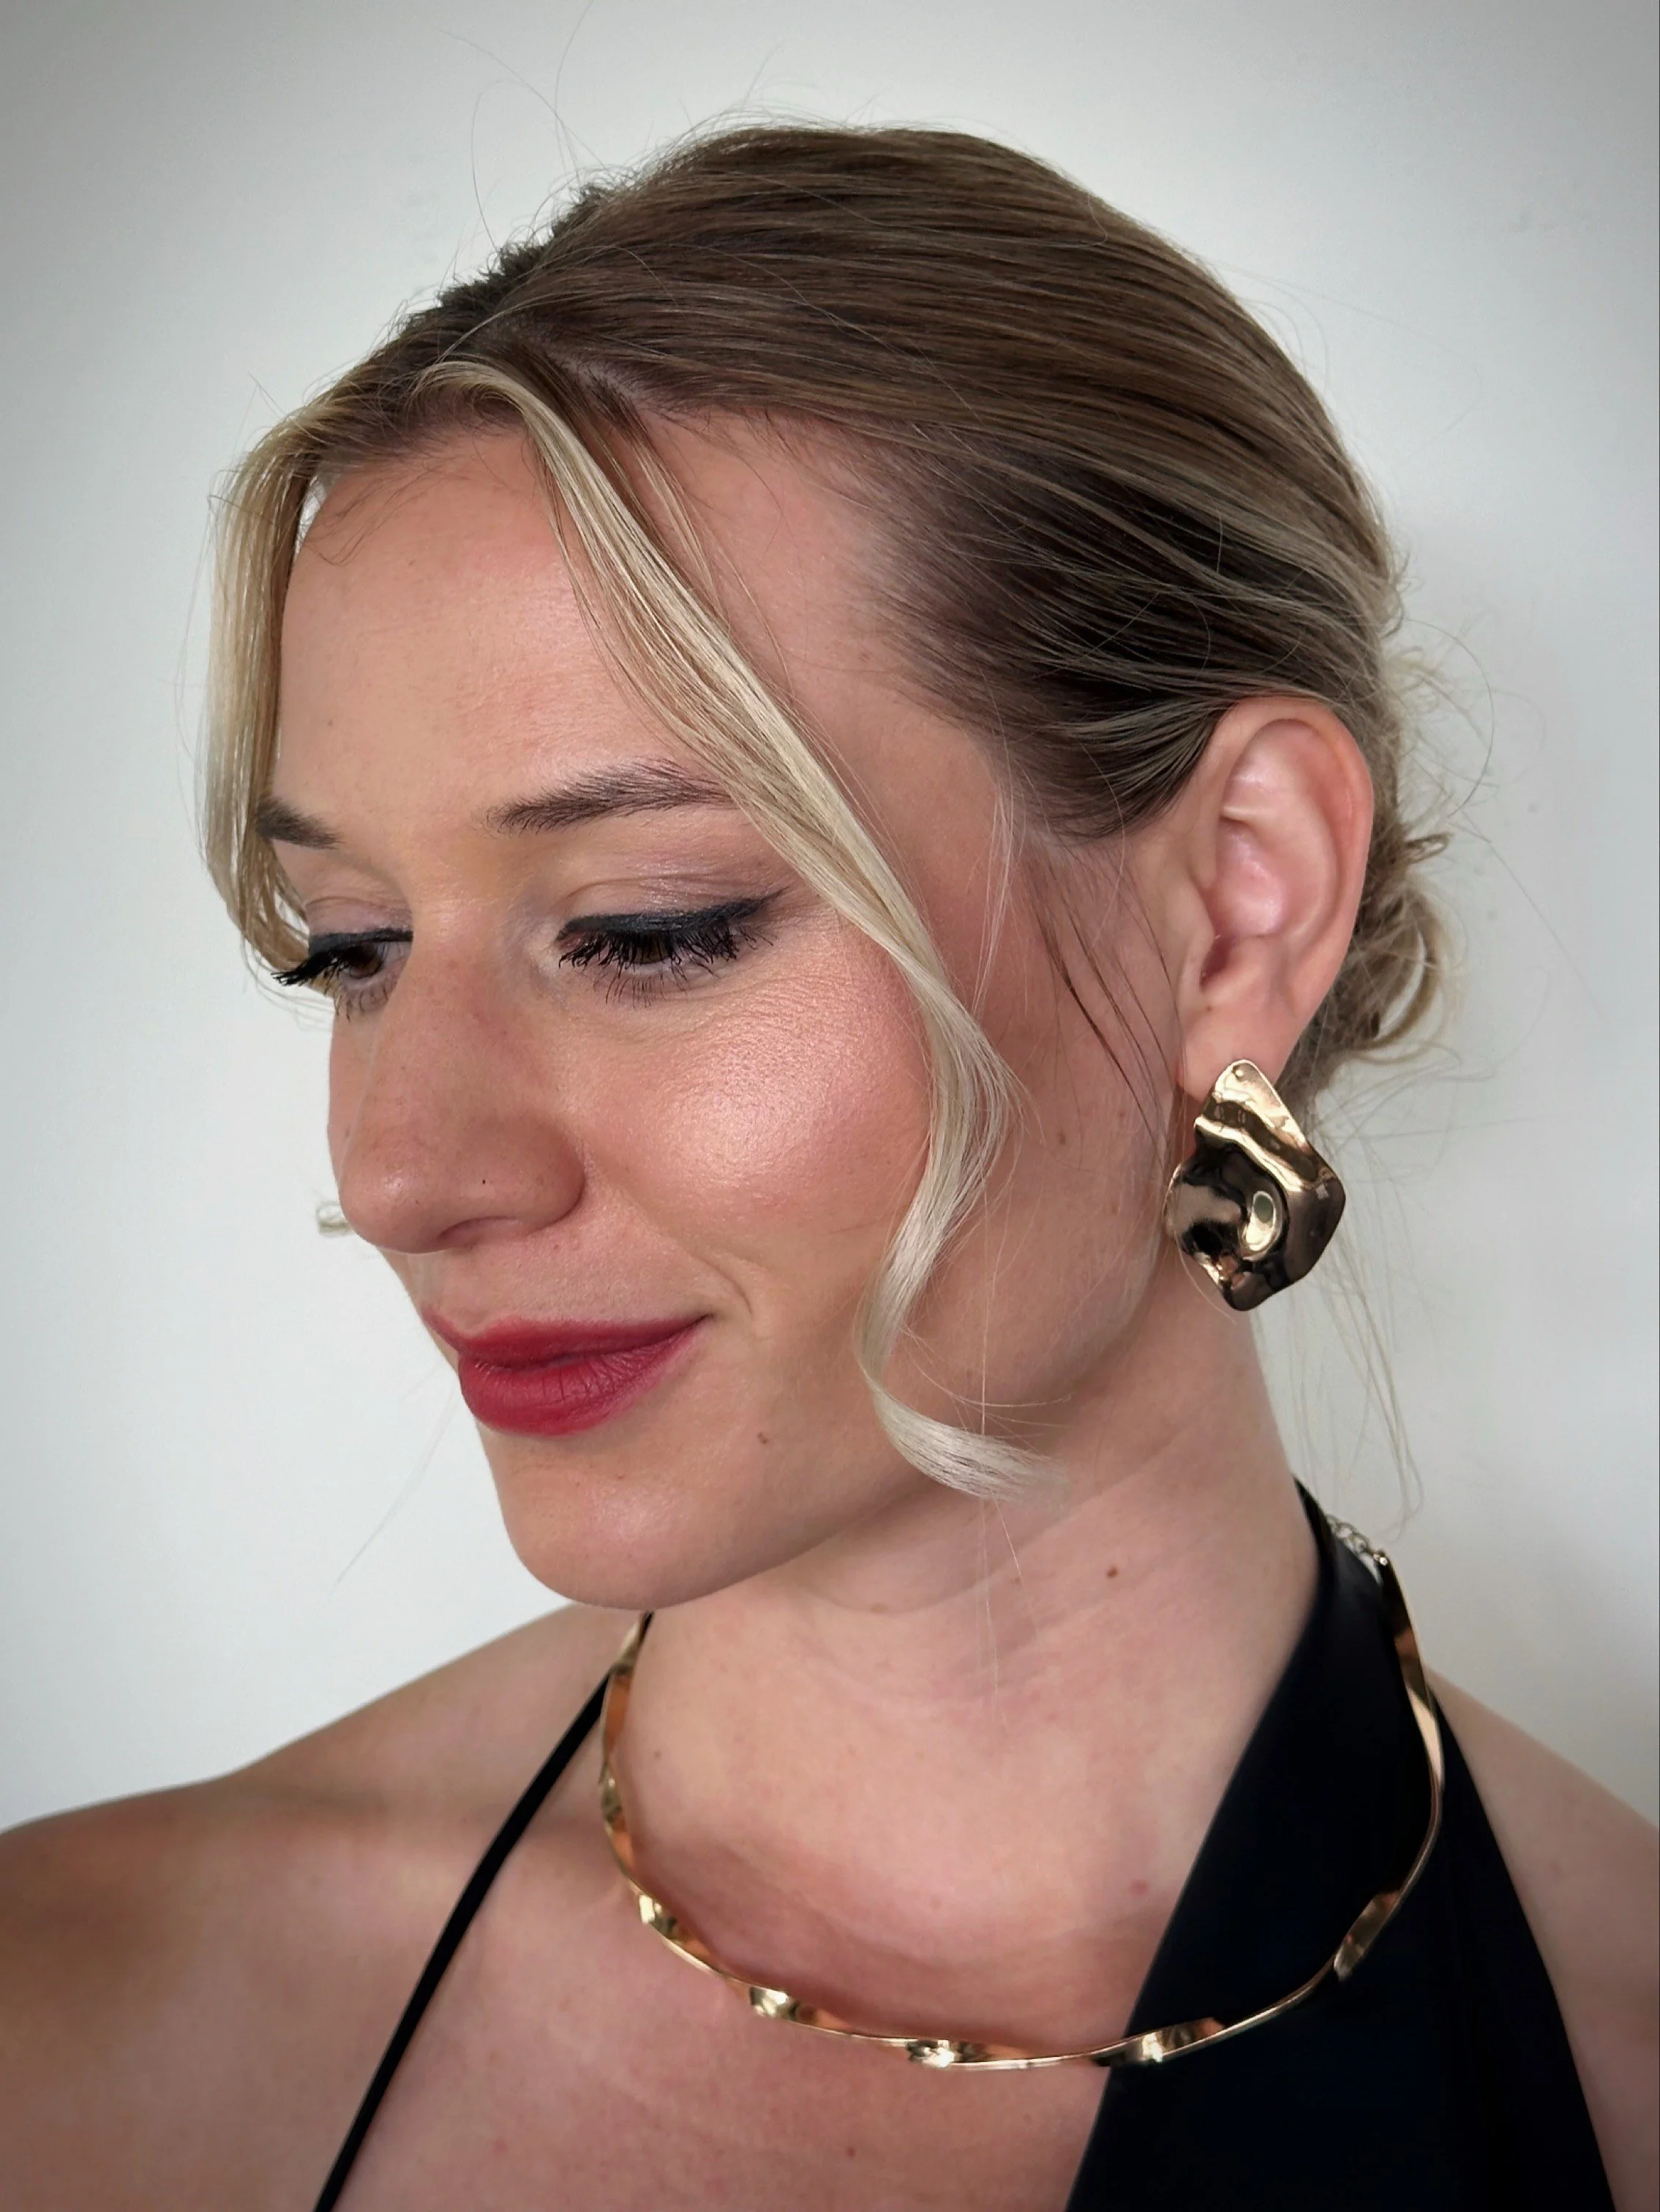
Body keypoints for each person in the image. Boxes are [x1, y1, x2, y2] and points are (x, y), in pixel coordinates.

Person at [0, 123, 1653, 2212]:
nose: (403, 1172)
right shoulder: (68, 2042)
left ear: (1232, 908)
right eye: (352, 951)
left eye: (646, 927)